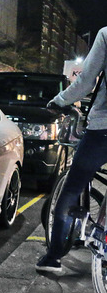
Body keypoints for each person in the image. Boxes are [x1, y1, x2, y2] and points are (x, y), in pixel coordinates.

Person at [37, 26, 107, 275]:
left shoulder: (106, 34)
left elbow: (86, 81)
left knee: (72, 189)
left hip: (103, 129)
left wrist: (59, 101)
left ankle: (53, 257)